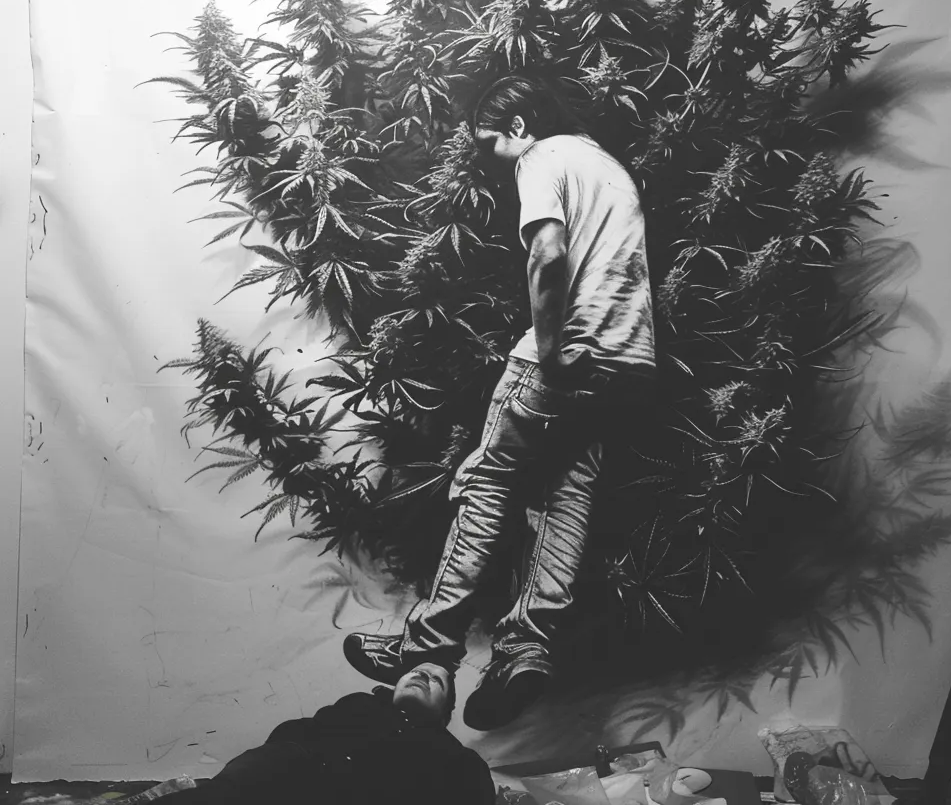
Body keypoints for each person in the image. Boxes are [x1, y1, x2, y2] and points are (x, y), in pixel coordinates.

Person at [345, 74, 657, 730]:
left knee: (487, 484)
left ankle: (426, 648)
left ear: (518, 126)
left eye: (489, 142)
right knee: (565, 496)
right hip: (625, 361)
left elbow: (548, 251)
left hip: (564, 355)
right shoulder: (608, 167)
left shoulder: (543, 156)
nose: (487, 158)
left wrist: (550, 349)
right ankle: (525, 652)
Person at [163, 662, 494, 805]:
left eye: (436, 680)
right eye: (416, 671)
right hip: (284, 784)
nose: (422, 675)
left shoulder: (461, 760)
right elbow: (297, 732)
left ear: (446, 712)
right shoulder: (359, 705)